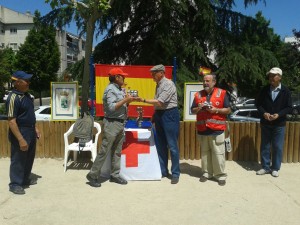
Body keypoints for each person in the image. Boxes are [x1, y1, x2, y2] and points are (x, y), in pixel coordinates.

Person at [86, 68, 138, 187]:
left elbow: (122, 105)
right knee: (104, 150)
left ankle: (115, 175)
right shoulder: (110, 90)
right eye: (122, 76)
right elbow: (111, 107)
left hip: (119, 123)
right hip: (112, 124)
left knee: (117, 151)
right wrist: (126, 99)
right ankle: (92, 175)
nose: (124, 78)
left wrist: (128, 101)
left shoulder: (119, 89)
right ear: (117, 77)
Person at [141, 64, 180, 184]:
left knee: (172, 145)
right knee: (161, 145)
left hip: (169, 115)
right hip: (160, 115)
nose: (152, 75)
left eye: (154, 73)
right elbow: (158, 105)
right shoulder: (158, 85)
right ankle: (163, 171)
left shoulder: (168, 84)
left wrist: (142, 100)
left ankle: (175, 173)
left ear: (161, 73)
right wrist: (154, 115)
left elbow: (160, 101)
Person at [190, 73, 231, 186]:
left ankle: (220, 175)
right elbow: (192, 110)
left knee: (218, 154)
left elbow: (228, 110)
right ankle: (206, 173)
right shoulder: (198, 95)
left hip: (217, 129)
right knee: (205, 154)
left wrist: (216, 110)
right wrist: (199, 107)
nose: (205, 83)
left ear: (214, 82)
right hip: (203, 129)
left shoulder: (222, 93)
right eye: (204, 81)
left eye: (208, 81)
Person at [6, 71, 41, 195]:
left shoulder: (27, 96)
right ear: (18, 82)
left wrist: (35, 128)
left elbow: (31, 115)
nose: (28, 83)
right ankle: (15, 184)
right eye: (26, 81)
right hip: (20, 131)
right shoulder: (13, 98)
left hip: (30, 130)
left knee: (28, 157)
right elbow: (11, 121)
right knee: (18, 158)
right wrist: (20, 139)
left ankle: (24, 179)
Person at [255, 67, 292, 177]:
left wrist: (278, 115)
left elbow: (289, 107)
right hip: (266, 123)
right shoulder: (264, 89)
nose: (271, 78)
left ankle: (275, 168)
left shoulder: (286, 91)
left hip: (279, 124)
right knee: (265, 146)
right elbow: (258, 104)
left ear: (279, 77)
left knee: (277, 146)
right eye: (270, 75)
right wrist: (264, 113)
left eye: (273, 75)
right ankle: (265, 167)